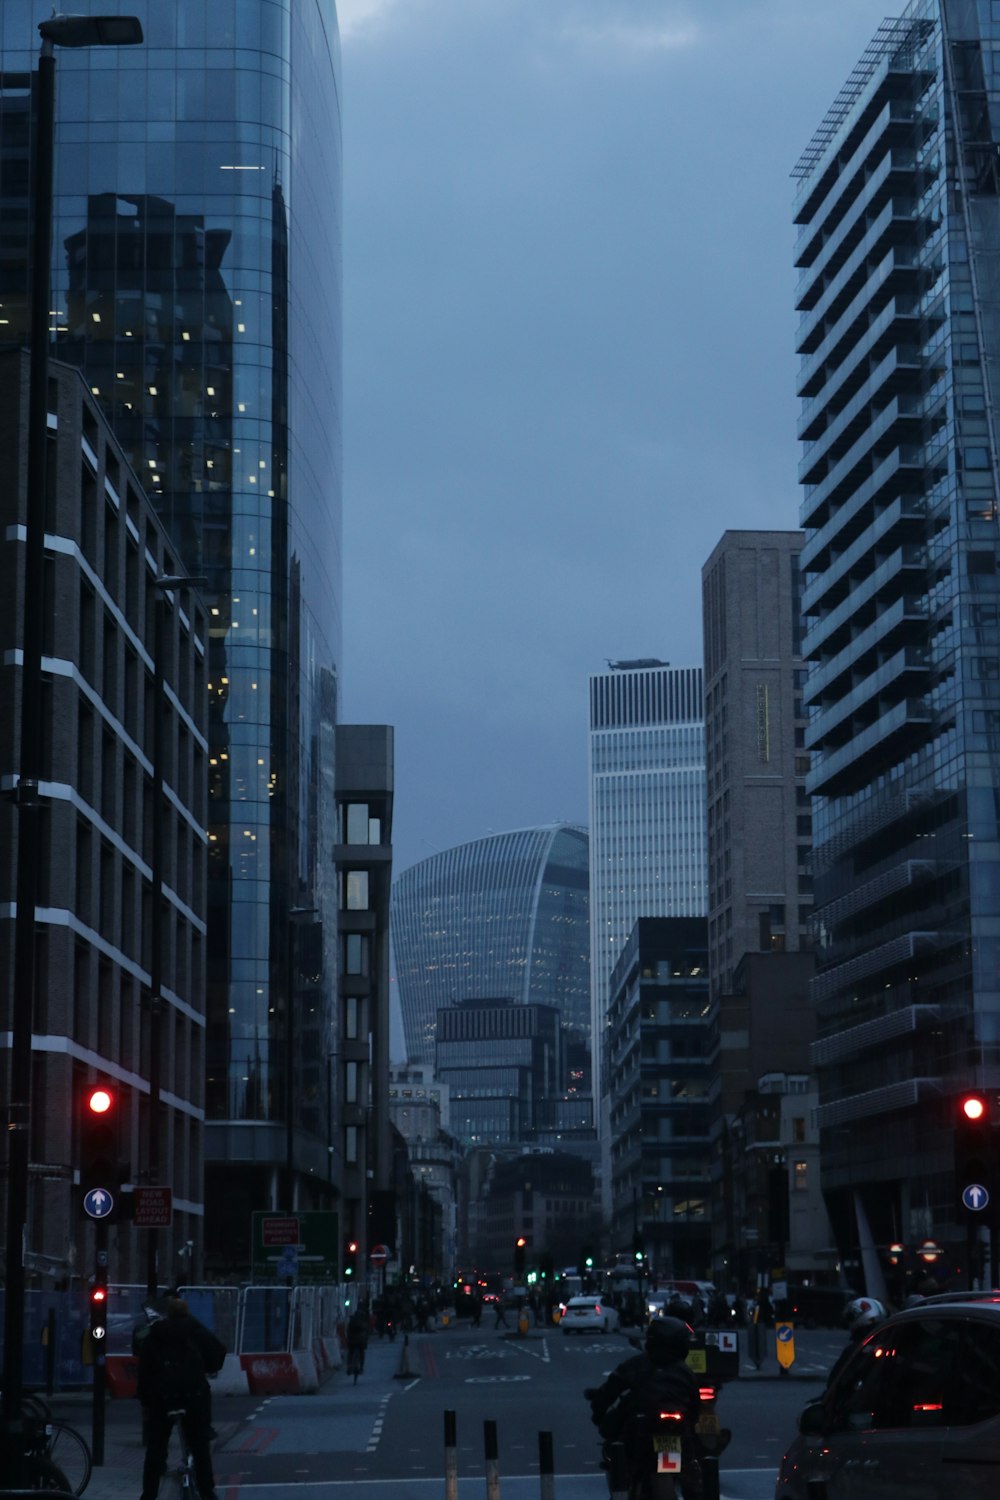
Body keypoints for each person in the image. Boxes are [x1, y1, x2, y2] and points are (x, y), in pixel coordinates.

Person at [586, 1316, 703, 1497]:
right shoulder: (685, 1372)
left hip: (642, 1432)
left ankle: (622, 1482)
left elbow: (610, 1389)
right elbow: (696, 1406)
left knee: (620, 1455)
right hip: (675, 1433)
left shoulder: (638, 1364)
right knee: (689, 1473)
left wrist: (598, 1411)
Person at [137, 1295, 225, 1500]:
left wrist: (145, 1401)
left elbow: (144, 1371)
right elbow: (217, 1356)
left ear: (168, 1314)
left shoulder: (155, 1334)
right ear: (186, 1313)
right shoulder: (196, 1331)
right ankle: (207, 1491)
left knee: (156, 1449)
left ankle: (148, 1494)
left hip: (162, 1399)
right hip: (193, 1396)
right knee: (199, 1445)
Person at [346, 1303, 370, 1374]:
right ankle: (361, 1368)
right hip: (361, 1340)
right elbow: (366, 1332)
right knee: (362, 1353)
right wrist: (365, 1342)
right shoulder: (364, 1321)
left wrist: (348, 1339)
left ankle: (349, 1367)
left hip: (352, 1340)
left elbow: (348, 1331)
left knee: (350, 1352)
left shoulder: (352, 1320)